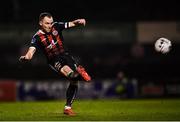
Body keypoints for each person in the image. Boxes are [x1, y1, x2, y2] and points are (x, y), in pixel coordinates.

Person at [19, 12, 91, 116]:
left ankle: (67, 108)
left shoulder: (56, 26)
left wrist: (79, 21)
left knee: (74, 81)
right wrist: (26, 57)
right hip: (54, 60)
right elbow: (31, 51)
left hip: (66, 56)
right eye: (47, 23)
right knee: (71, 75)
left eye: (51, 23)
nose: (50, 25)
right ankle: (80, 74)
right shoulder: (37, 37)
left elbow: (71, 23)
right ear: (40, 23)